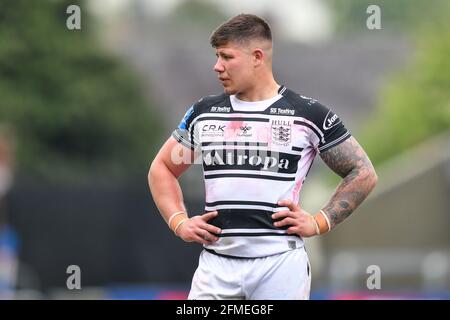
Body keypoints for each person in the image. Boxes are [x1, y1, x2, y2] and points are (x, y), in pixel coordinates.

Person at [148, 14, 377, 300]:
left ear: (257, 56)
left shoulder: (307, 114)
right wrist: (179, 221)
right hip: (216, 266)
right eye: (217, 56)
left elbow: (363, 172)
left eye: (226, 57)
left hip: (279, 265)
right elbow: (163, 168)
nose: (217, 66)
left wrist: (320, 221)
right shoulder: (204, 113)